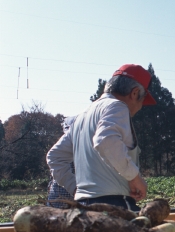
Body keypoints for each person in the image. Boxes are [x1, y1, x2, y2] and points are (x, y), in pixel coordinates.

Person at [47, 64, 156, 211]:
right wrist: (134, 178)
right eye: (142, 101)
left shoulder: (82, 116)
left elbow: (55, 157)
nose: (140, 107)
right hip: (114, 206)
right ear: (135, 93)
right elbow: (106, 140)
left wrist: (75, 188)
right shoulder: (117, 106)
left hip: (83, 209)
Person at [47, 116, 76, 208]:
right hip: (61, 196)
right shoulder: (65, 145)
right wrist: (75, 189)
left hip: (82, 195)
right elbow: (54, 159)